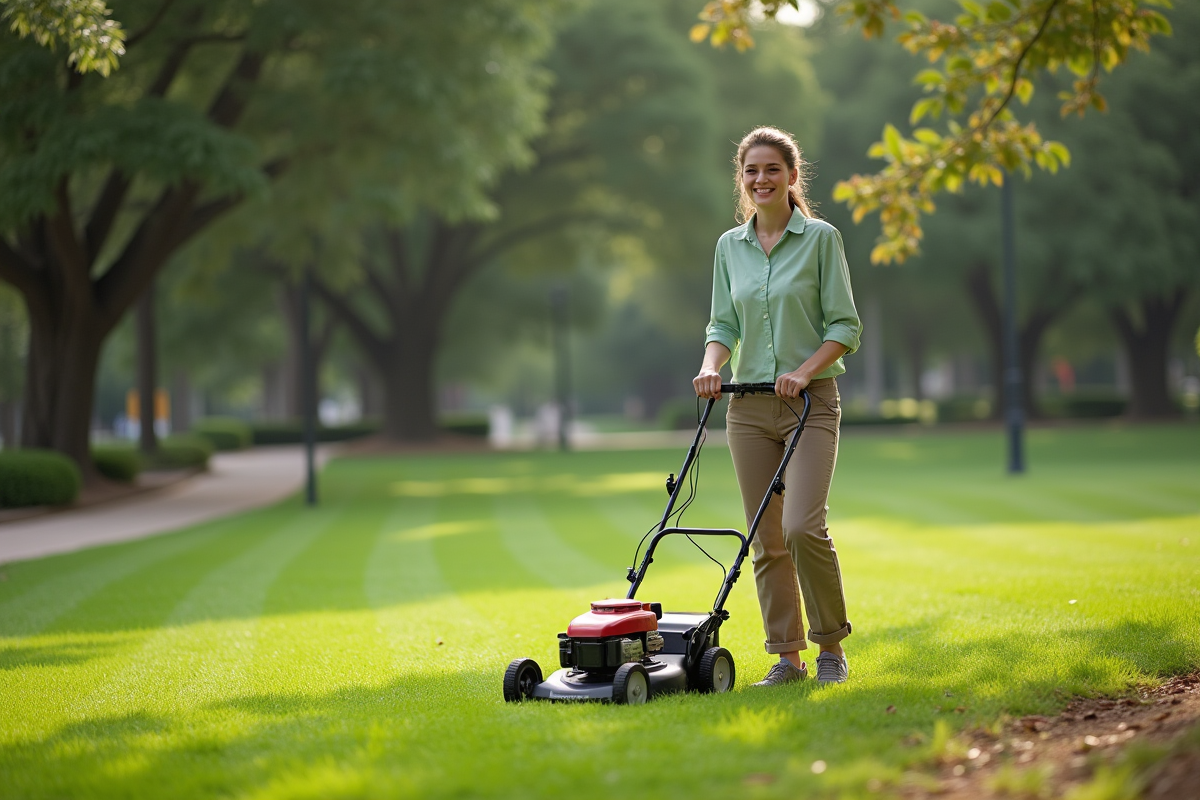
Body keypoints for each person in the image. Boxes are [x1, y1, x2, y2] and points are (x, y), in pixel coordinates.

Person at [693, 126, 861, 686]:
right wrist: (712, 366)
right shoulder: (728, 247)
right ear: (741, 180)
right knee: (763, 536)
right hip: (747, 411)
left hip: (810, 404)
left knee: (801, 528)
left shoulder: (820, 240)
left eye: (771, 169)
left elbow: (845, 326)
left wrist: (804, 371)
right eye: (751, 171)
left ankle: (831, 649)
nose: (761, 179)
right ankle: (786, 659)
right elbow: (723, 323)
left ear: (792, 176)